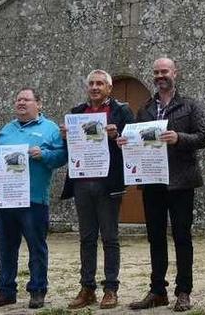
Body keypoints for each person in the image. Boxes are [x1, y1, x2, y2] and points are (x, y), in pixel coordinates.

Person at [129, 57, 205, 313]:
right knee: (155, 238)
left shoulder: (190, 105)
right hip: (153, 181)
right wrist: (127, 143)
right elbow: (140, 141)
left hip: (182, 181)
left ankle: (183, 291)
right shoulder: (145, 109)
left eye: (164, 71)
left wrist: (178, 138)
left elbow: (203, 137)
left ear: (175, 73)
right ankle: (157, 291)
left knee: (182, 237)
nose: (160, 75)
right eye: (156, 72)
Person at [0, 88, 66, 310]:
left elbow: (63, 156)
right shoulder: (6, 130)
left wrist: (45, 154)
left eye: (26, 100)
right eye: (18, 99)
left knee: (36, 247)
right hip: (6, 199)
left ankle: (37, 290)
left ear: (39, 104)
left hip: (34, 199)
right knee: (5, 247)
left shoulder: (50, 129)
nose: (21, 103)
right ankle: (6, 290)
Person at [61, 70, 135, 310]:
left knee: (110, 238)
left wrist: (118, 135)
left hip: (108, 182)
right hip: (82, 182)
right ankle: (87, 288)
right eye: (91, 83)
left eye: (100, 83)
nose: (95, 87)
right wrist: (65, 137)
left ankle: (111, 288)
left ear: (109, 88)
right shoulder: (77, 113)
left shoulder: (121, 111)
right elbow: (70, 148)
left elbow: (132, 142)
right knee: (86, 237)